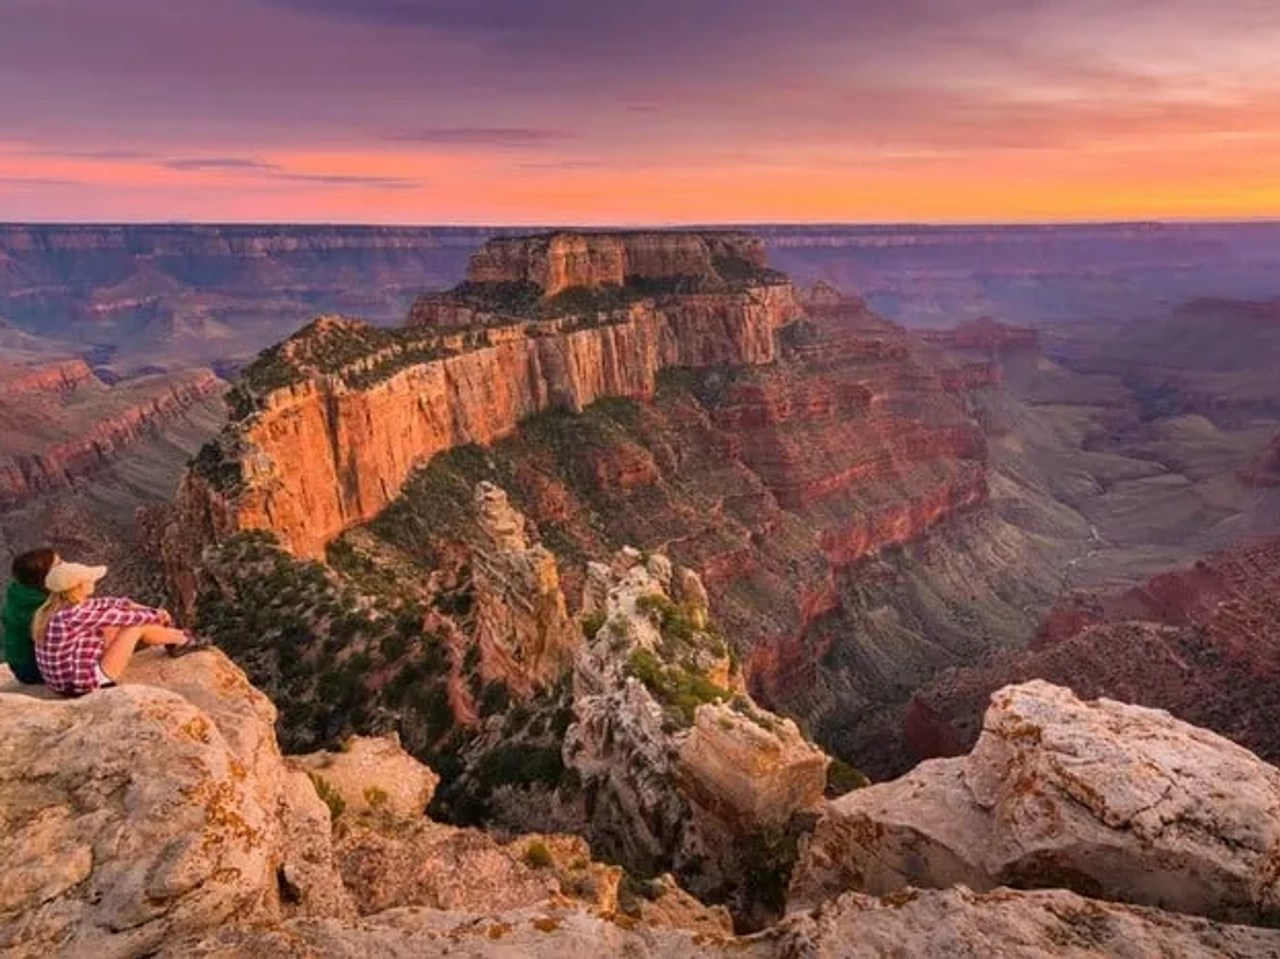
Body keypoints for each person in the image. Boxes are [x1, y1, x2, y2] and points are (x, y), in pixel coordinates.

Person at [32, 561, 213, 696]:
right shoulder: (72, 614)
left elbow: (110, 604)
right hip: (81, 685)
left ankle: (175, 638)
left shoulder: (59, 606)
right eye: (90, 579)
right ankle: (182, 640)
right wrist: (157, 616)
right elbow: (126, 618)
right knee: (134, 627)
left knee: (112, 625)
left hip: (64, 681)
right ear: (79, 586)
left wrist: (144, 608)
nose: (94, 581)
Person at [2, 548, 59, 684]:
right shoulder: (37, 604)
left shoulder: (19, 590)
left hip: (19, 663)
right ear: (44, 575)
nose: (65, 566)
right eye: (58, 565)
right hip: (30, 668)